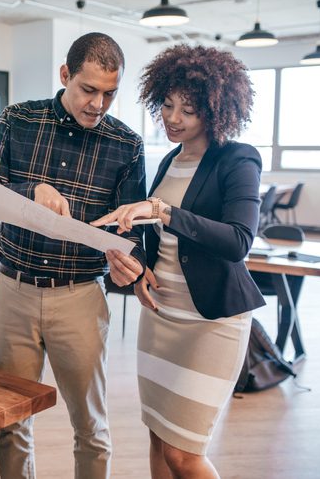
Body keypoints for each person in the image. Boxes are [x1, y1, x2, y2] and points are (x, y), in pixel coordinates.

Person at [0, 32, 146, 479]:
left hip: (80, 297)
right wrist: (32, 191)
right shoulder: (17, 120)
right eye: (88, 89)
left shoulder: (127, 146)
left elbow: (132, 232)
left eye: (110, 93)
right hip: (13, 291)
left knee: (91, 428)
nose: (98, 104)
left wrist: (129, 264)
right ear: (65, 75)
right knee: (11, 421)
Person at [92, 44, 266, 478]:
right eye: (167, 105)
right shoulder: (171, 158)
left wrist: (165, 211)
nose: (172, 118)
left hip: (211, 322)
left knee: (184, 455)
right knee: (158, 433)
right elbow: (158, 235)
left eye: (187, 111)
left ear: (214, 110)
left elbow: (238, 241)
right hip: (162, 313)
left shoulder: (237, 159)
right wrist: (139, 271)